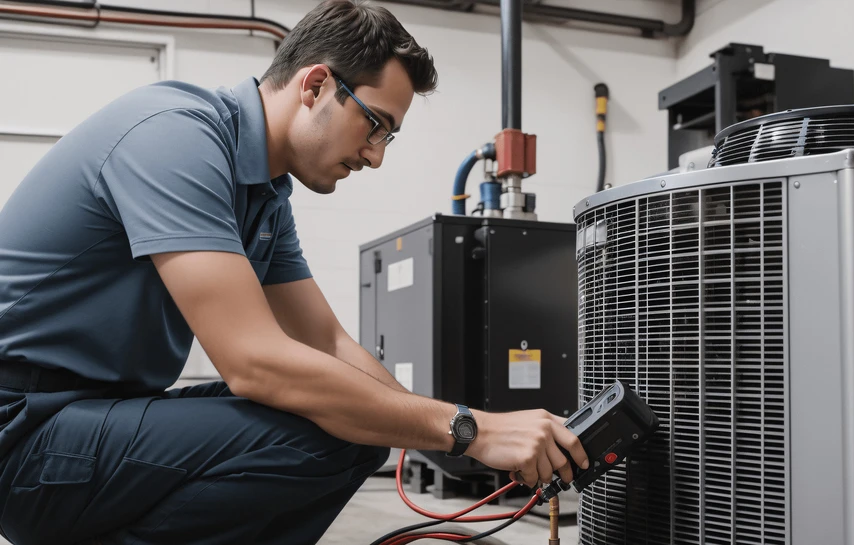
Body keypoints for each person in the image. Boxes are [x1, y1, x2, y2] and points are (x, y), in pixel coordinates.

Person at [0, 1, 588, 543]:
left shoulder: (265, 195)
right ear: (315, 85)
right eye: (374, 124)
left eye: (389, 137)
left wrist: (455, 432)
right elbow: (255, 363)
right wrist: (470, 429)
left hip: (91, 420)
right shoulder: (176, 135)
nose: (376, 155)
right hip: (23, 433)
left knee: (355, 426)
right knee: (321, 429)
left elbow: (328, 342)